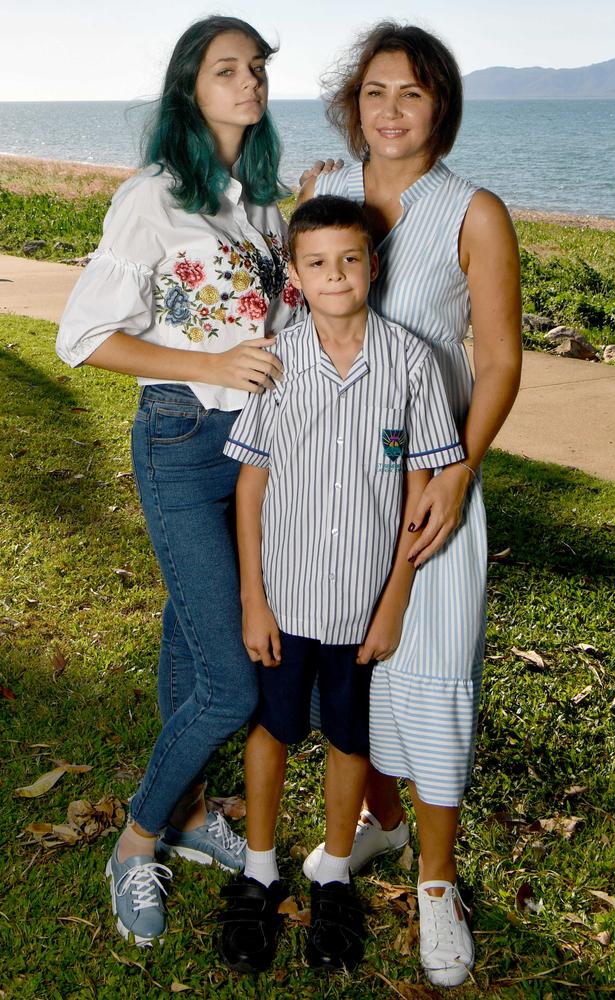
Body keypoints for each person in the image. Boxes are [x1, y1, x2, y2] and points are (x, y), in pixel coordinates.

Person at [55, 15, 300, 946]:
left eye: (258, 69)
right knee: (233, 684)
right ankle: (137, 839)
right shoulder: (151, 198)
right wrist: (209, 365)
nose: (249, 83)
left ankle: (194, 817)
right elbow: (82, 337)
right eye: (227, 70)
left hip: (259, 458)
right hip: (182, 438)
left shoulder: (261, 205)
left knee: (191, 642)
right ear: (189, 90)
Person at [300, 22, 522, 988]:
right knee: (353, 669)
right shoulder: (317, 195)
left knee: (430, 669)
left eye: (414, 94)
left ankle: (437, 883)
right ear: (355, 103)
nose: (391, 110)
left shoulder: (474, 212)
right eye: (376, 91)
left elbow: (502, 358)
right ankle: (381, 825)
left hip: (428, 484)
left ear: (442, 109)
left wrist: (460, 470)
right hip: (332, 486)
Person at [218, 195, 465, 973]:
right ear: (294, 275)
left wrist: (395, 598)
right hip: (285, 599)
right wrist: (254, 597)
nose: (336, 275)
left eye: (350, 260)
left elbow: (422, 491)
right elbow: (251, 489)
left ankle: (331, 869)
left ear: (373, 266)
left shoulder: (411, 364)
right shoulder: (277, 360)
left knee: (349, 738)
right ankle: (259, 868)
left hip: (363, 605)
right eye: (317, 262)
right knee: (274, 728)